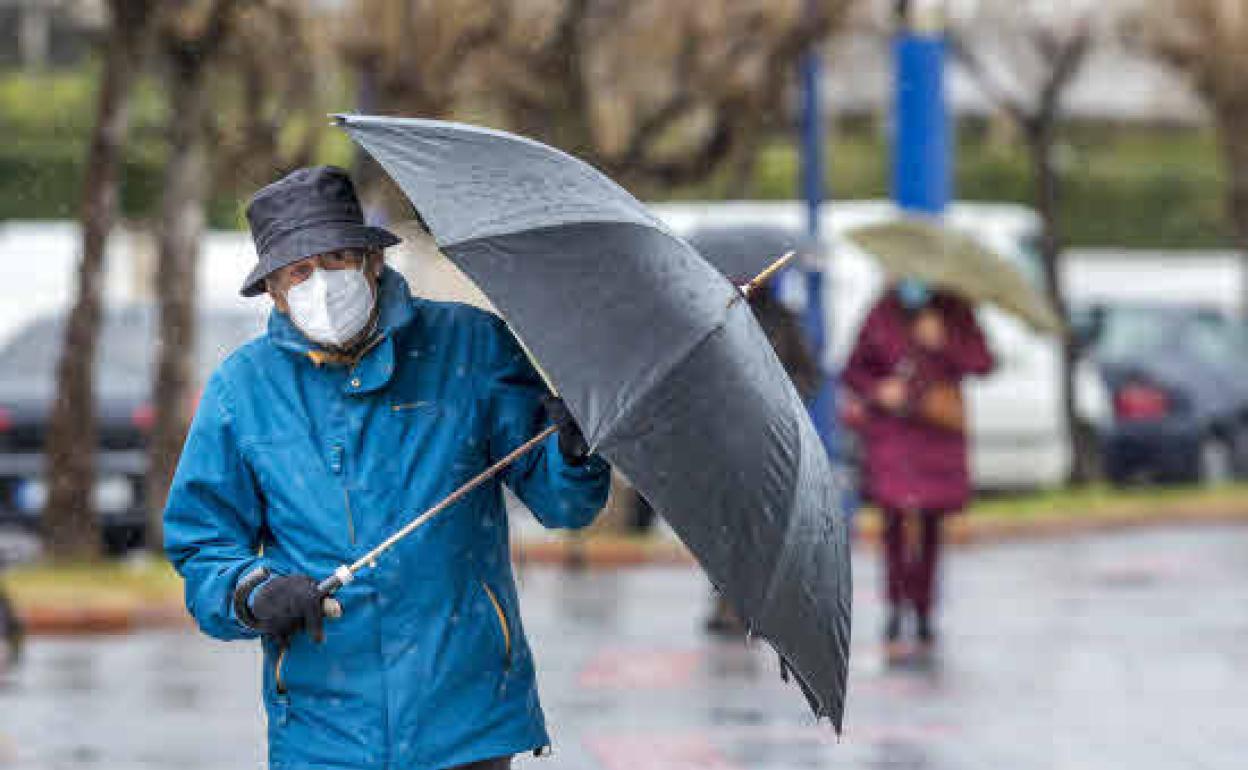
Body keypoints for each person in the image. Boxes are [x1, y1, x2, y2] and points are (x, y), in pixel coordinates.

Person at [163, 166, 611, 770]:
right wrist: (254, 591)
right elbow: (203, 546)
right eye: (299, 271)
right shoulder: (241, 391)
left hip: (467, 717)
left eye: (339, 258)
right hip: (323, 731)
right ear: (271, 288)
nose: (321, 282)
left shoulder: (470, 345)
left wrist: (575, 453)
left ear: (373, 261)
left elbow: (566, 505)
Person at [841, 278, 993, 659]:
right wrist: (879, 391)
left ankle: (924, 611)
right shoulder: (882, 312)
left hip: (936, 433)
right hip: (893, 432)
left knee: (929, 525)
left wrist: (944, 343)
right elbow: (852, 369)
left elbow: (983, 362)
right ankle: (894, 610)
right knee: (894, 519)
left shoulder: (955, 311)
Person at [705, 288, 821, 635]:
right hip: (722, 433)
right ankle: (724, 599)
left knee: (757, 523)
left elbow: (808, 375)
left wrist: (779, 394)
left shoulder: (784, 320)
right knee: (723, 523)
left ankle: (748, 603)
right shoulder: (714, 309)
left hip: (768, 435)